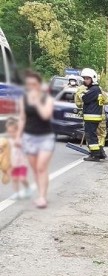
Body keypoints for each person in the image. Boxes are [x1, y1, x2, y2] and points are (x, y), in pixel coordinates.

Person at [19, 71, 55, 206]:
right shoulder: (23, 99)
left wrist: (37, 102)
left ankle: (42, 197)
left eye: (34, 84)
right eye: (29, 84)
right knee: (35, 168)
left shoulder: (47, 99)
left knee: (41, 167)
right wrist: (18, 137)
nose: (31, 87)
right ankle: (40, 192)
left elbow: (46, 115)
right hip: (29, 137)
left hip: (45, 137)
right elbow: (22, 118)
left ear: (39, 85)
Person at [77, 68, 106, 162]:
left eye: (87, 78)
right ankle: (99, 153)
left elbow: (85, 99)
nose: (85, 80)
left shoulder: (94, 89)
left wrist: (81, 95)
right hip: (93, 116)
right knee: (93, 135)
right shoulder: (94, 89)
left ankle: (95, 155)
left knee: (91, 136)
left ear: (93, 79)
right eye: (84, 78)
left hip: (92, 116)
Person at [5, 117, 32, 200]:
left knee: (22, 178)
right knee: (14, 179)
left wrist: (20, 145)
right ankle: (16, 193)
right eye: (9, 132)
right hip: (13, 164)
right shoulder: (9, 141)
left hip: (21, 164)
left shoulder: (21, 140)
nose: (11, 134)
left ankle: (27, 188)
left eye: (13, 132)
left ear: (18, 131)